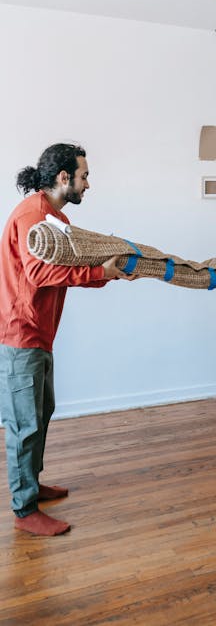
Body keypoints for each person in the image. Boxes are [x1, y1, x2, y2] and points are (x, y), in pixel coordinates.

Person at [0, 143, 136, 536]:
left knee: (42, 413)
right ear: (64, 178)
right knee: (24, 425)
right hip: (21, 334)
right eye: (84, 176)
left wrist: (107, 270)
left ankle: (33, 485)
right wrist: (99, 274)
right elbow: (40, 275)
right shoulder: (34, 216)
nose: (88, 184)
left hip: (39, 333)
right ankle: (24, 510)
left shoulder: (52, 215)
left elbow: (70, 265)